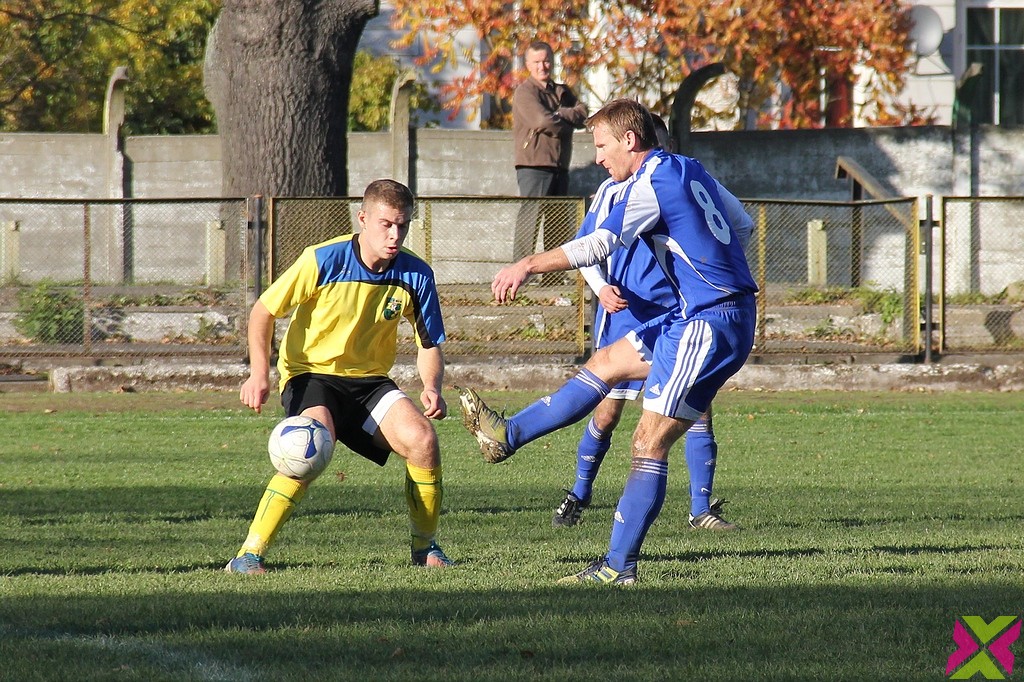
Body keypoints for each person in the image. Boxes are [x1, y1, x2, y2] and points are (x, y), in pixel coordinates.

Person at [459, 99, 758, 585]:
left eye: (601, 146)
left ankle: (619, 567)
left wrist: (528, 264)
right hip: (702, 314)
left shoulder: (650, 182)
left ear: (629, 141)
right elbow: (742, 223)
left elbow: (599, 243)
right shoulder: (689, 169)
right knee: (606, 362)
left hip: (708, 321)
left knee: (647, 442)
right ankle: (506, 435)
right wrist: (713, 271)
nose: (597, 158)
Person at [227, 179, 452, 574]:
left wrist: (431, 387)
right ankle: (248, 555)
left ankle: (425, 548)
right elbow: (263, 311)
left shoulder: (416, 273)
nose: (394, 235)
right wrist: (259, 373)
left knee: (423, 440)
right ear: (363, 219)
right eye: (385, 224)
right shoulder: (323, 259)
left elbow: (429, 342)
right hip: (311, 375)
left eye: (402, 225)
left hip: (370, 383)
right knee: (309, 447)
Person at [553, 114, 754, 533]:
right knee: (607, 412)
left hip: (679, 312)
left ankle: (700, 509)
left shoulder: (672, 180)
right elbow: (588, 244)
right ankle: (579, 493)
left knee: (697, 410)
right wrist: (601, 287)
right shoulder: (612, 191)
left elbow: (739, 225)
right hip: (626, 310)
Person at [512, 40, 588, 264]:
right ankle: (520, 271)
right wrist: (565, 122)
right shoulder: (525, 92)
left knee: (558, 224)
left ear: (552, 62)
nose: (542, 66)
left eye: (546, 61)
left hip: (560, 166)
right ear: (527, 64)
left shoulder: (561, 91)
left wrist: (560, 114)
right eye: (536, 62)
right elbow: (543, 121)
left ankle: (553, 276)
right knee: (530, 220)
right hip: (534, 165)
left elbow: (583, 113)